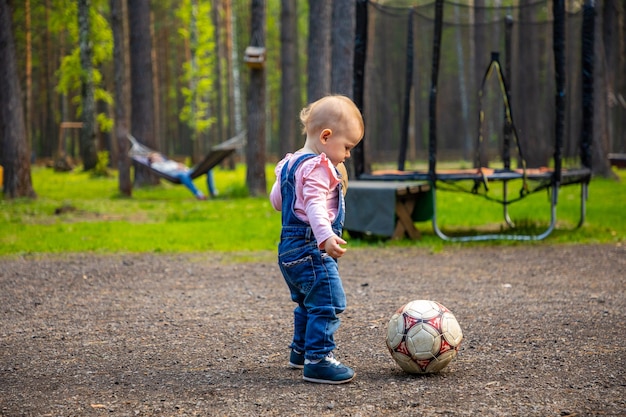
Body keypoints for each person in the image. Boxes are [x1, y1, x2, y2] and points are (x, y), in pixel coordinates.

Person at [269, 95, 364, 384]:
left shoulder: (290, 163)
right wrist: (325, 237)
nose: (347, 155)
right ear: (326, 136)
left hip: (288, 250)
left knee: (307, 303)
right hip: (311, 248)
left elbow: (277, 200)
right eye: (347, 147)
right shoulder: (319, 167)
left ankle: (300, 351)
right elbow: (314, 206)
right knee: (328, 302)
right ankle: (318, 359)